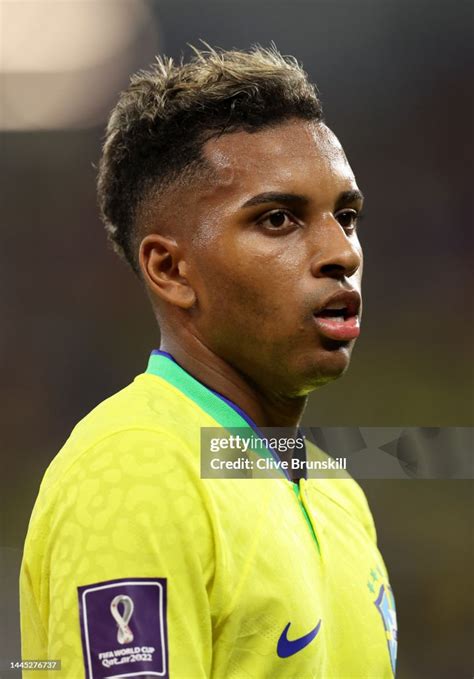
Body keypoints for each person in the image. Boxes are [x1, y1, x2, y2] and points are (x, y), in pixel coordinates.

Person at [20, 45, 397, 678]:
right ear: (170, 269)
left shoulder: (337, 490)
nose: (342, 252)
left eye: (347, 215)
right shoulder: (136, 472)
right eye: (279, 219)